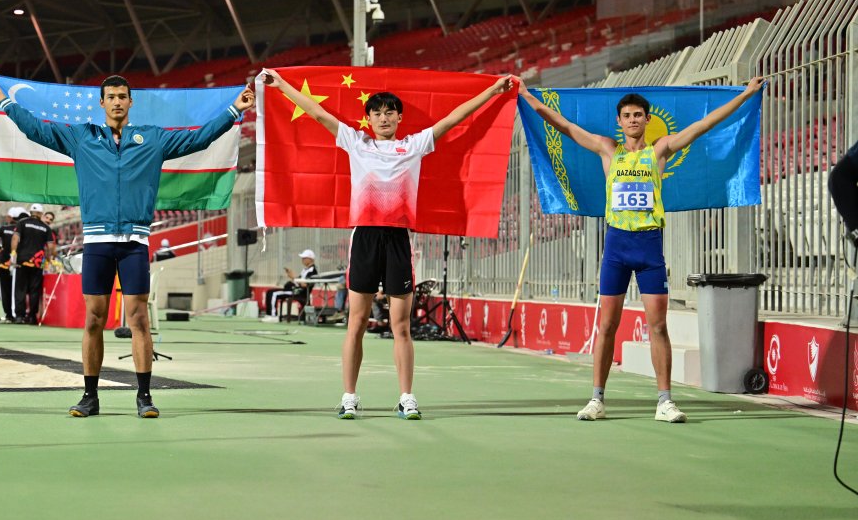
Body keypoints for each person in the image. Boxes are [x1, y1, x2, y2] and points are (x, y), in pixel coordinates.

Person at [0, 73, 255, 418]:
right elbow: (36, 129)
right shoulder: (82, 137)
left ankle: (144, 396)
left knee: (138, 318)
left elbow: (198, 138)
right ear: (102, 102)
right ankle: (89, 397)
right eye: (111, 97)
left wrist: (234, 109)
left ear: (130, 101)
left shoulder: (153, 138)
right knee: (93, 320)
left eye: (122, 96)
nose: (116, 102)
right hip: (97, 243)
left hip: (134, 242)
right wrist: (2, 98)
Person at [262, 68, 515, 420]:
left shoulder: (413, 145)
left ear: (399, 117)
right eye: (377, 113)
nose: (383, 118)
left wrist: (492, 91)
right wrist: (282, 85)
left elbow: (454, 118)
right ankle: (349, 396)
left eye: (389, 112)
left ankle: (407, 397)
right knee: (356, 322)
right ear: (368, 119)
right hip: (365, 237)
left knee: (401, 326)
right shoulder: (356, 142)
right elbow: (318, 113)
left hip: (397, 239)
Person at [518, 76, 765, 423]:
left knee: (658, 325)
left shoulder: (659, 151)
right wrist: (526, 96)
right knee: (607, 325)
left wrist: (746, 95)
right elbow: (565, 126)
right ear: (619, 122)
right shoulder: (608, 150)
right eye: (627, 115)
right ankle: (596, 399)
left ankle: (665, 402)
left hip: (649, 247)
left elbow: (703, 125)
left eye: (638, 115)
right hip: (616, 247)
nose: (633, 119)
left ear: (648, 120)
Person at [11, 203, 56, 325]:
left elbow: (15, 238)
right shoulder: (46, 228)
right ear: (41, 214)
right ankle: (32, 317)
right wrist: (48, 260)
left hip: (22, 260)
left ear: (30, 212)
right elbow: (50, 247)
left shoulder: (22, 223)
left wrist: (13, 253)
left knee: (20, 289)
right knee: (34, 290)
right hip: (37, 262)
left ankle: (19, 316)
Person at [265, 249, 319, 319]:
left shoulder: (313, 271)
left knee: (274, 294)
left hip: (299, 292)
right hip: (295, 290)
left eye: (304, 258)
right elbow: (298, 281)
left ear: (310, 259)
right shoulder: (305, 270)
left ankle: (273, 316)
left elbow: (305, 285)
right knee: (269, 292)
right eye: (302, 258)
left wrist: (293, 277)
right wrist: (292, 276)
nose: (302, 260)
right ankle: (268, 314)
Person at [0, 207, 26, 320]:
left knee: (5, 290)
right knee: (17, 290)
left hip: (5, 263)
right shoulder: (22, 230)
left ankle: (9, 314)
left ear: (11, 218)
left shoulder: (4, 229)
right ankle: (17, 314)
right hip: (17, 263)